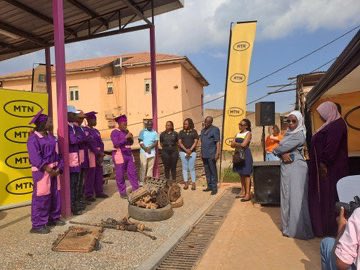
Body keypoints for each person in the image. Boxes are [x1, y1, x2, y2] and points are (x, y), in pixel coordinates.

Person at [308, 101, 349, 237]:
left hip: (331, 169)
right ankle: (324, 227)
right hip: (326, 168)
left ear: (329, 111)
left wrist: (323, 163)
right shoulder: (330, 125)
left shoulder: (337, 125)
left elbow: (331, 147)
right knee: (326, 197)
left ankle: (330, 228)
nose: (320, 117)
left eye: (322, 114)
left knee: (330, 197)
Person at [273, 111, 313, 239]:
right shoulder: (288, 134)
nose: (290, 124)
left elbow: (277, 148)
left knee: (296, 198)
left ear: (300, 121)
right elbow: (279, 149)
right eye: (288, 121)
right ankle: (287, 228)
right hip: (287, 167)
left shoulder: (299, 135)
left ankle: (298, 229)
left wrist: (279, 150)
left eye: (293, 121)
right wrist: (281, 152)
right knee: (286, 196)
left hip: (296, 167)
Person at [27, 109, 65, 234]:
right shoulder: (33, 139)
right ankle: (38, 224)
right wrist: (48, 169)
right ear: (42, 124)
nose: (51, 122)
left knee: (54, 195)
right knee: (41, 197)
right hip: (42, 172)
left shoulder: (51, 137)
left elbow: (57, 153)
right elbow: (35, 158)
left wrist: (59, 167)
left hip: (54, 170)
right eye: (49, 121)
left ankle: (53, 218)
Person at [111, 115, 139, 199]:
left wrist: (130, 138)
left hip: (128, 154)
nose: (125, 125)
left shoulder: (126, 131)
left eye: (126, 123)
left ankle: (136, 190)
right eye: (124, 123)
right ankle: (122, 192)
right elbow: (116, 144)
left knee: (132, 172)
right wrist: (125, 138)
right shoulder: (115, 132)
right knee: (120, 174)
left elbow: (130, 143)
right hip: (120, 154)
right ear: (119, 123)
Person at [83, 111, 108, 201]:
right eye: (94, 119)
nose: (95, 121)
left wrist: (101, 153)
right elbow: (90, 143)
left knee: (99, 173)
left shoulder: (96, 131)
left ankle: (99, 191)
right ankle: (89, 194)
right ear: (89, 120)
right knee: (90, 174)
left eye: (96, 119)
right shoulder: (85, 130)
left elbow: (101, 143)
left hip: (99, 154)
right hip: (91, 154)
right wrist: (98, 153)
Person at [67, 105, 84, 215]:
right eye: (73, 114)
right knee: (72, 183)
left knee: (76, 182)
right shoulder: (66, 127)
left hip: (75, 157)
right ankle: (72, 205)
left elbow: (81, 137)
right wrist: (78, 138)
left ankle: (76, 202)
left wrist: (78, 138)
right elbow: (73, 140)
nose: (75, 116)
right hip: (70, 159)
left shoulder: (73, 127)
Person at [231, 119, 253, 202]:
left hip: (245, 155)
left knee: (246, 174)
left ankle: (248, 194)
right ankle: (243, 191)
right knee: (241, 173)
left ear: (246, 126)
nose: (239, 125)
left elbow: (244, 144)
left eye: (241, 124)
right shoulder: (237, 134)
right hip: (238, 155)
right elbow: (231, 145)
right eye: (239, 124)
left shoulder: (248, 133)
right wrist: (238, 144)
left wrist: (236, 144)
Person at [201, 116, 221, 195]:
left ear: (210, 122)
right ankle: (209, 186)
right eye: (205, 122)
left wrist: (217, 153)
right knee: (207, 171)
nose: (205, 123)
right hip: (204, 154)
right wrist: (201, 152)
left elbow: (218, 142)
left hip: (212, 154)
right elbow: (202, 142)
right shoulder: (203, 131)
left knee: (213, 171)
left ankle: (214, 188)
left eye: (206, 122)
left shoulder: (215, 129)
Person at [73, 110, 89, 208]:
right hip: (77, 156)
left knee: (82, 179)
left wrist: (84, 138)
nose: (82, 119)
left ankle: (80, 198)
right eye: (80, 118)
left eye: (83, 118)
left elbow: (85, 138)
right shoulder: (74, 127)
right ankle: (76, 200)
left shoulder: (81, 128)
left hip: (83, 155)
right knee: (77, 180)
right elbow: (80, 139)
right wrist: (84, 137)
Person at [178, 118, 199, 190]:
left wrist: (190, 150)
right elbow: (180, 142)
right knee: (184, 167)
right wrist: (186, 150)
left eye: (186, 124)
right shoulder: (181, 132)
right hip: (182, 152)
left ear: (190, 124)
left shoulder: (194, 131)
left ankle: (193, 183)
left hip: (192, 152)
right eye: (184, 124)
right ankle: (186, 183)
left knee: (191, 167)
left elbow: (196, 141)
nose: (184, 125)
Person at [138, 119, 159, 183]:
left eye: (151, 125)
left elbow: (156, 142)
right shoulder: (142, 132)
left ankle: (148, 182)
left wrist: (149, 148)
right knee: (143, 167)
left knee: (150, 167)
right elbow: (140, 141)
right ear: (146, 125)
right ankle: (142, 182)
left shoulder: (155, 133)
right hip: (143, 152)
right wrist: (145, 148)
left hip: (151, 152)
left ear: (152, 125)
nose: (150, 126)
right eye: (148, 125)